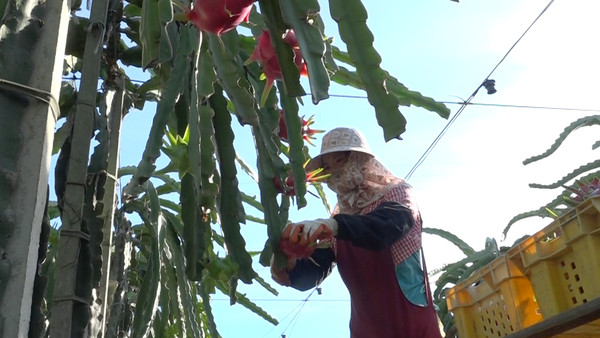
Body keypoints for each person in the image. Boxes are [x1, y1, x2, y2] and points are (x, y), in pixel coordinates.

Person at [271, 127, 442, 338]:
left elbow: (386, 228)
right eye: (326, 167)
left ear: (359, 159)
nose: (334, 171)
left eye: (340, 161)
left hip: (410, 323)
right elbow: (316, 271)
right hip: (366, 329)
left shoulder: (398, 194)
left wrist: (334, 226)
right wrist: (291, 267)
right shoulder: (338, 219)